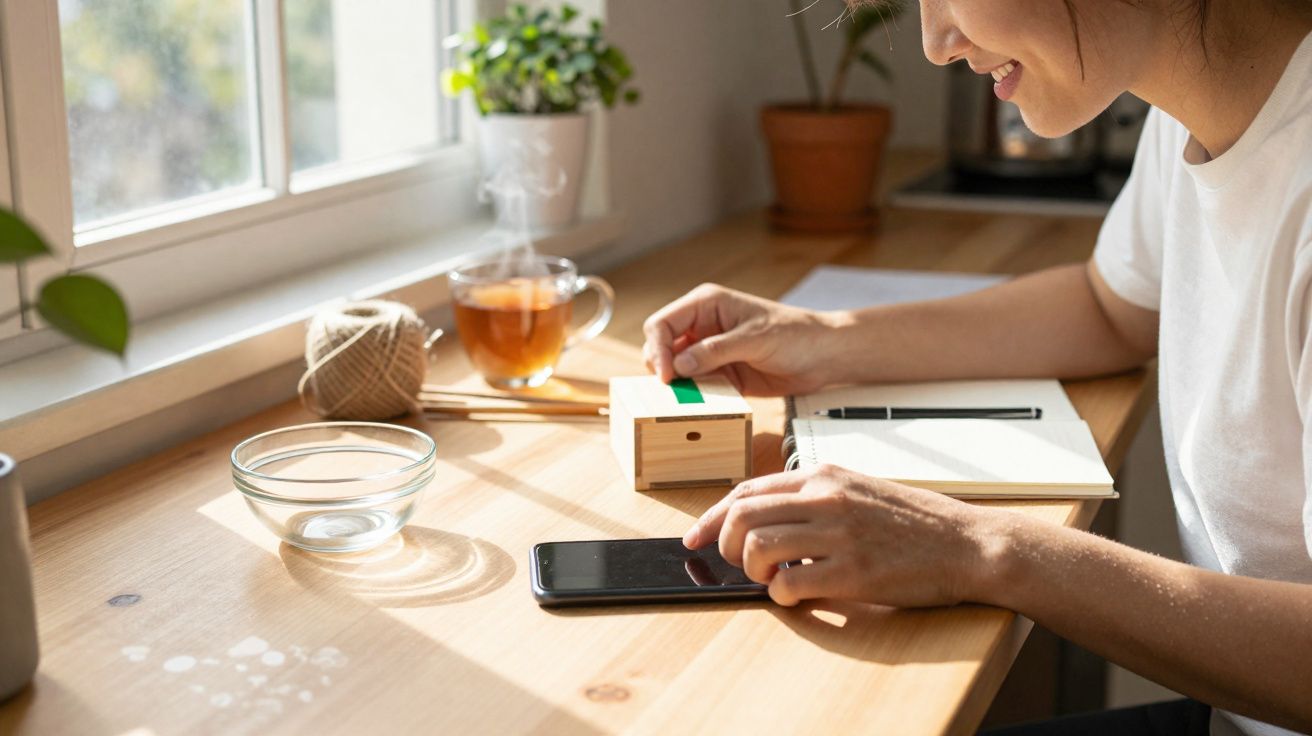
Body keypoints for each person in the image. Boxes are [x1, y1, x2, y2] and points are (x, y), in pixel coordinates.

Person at [641, 1, 1312, 734]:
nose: (935, 43)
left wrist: (982, 549)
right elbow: (1110, 307)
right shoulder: (1192, 99)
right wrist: (819, 339)